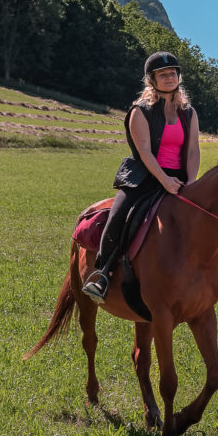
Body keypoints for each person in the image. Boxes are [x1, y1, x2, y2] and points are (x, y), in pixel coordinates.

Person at [82, 51, 200, 303]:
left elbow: (192, 150)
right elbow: (145, 151)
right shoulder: (140, 111)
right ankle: (102, 274)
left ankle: (209, 280)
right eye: (162, 74)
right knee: (119, 216)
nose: (169, 78)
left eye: (173, 73)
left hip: (180, 179)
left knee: (204, 220)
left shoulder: (189, 112)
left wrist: (190, 183)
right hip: (144, 178)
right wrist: (164, 181)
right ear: (152, 79)